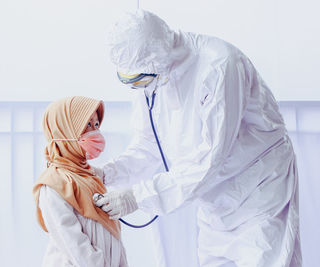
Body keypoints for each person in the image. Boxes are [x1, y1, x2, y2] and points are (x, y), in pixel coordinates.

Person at [94, 9, 301, 267]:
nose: (138, 89)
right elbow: (149, 145)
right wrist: (107, 174)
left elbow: (209, 160)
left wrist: (137, 197)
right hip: (214, 202)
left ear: (157, 63)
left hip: (258, 194)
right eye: (130, 82)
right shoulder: (151, 77)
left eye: (139, 81)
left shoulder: (219, 66)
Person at [33, 96, 128, 267]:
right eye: (87, 125)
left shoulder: (91, 177)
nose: (94, 132)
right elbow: (75, 246)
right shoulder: (54, 184)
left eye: (96, 124)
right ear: (66, 130)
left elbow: (112, 235)